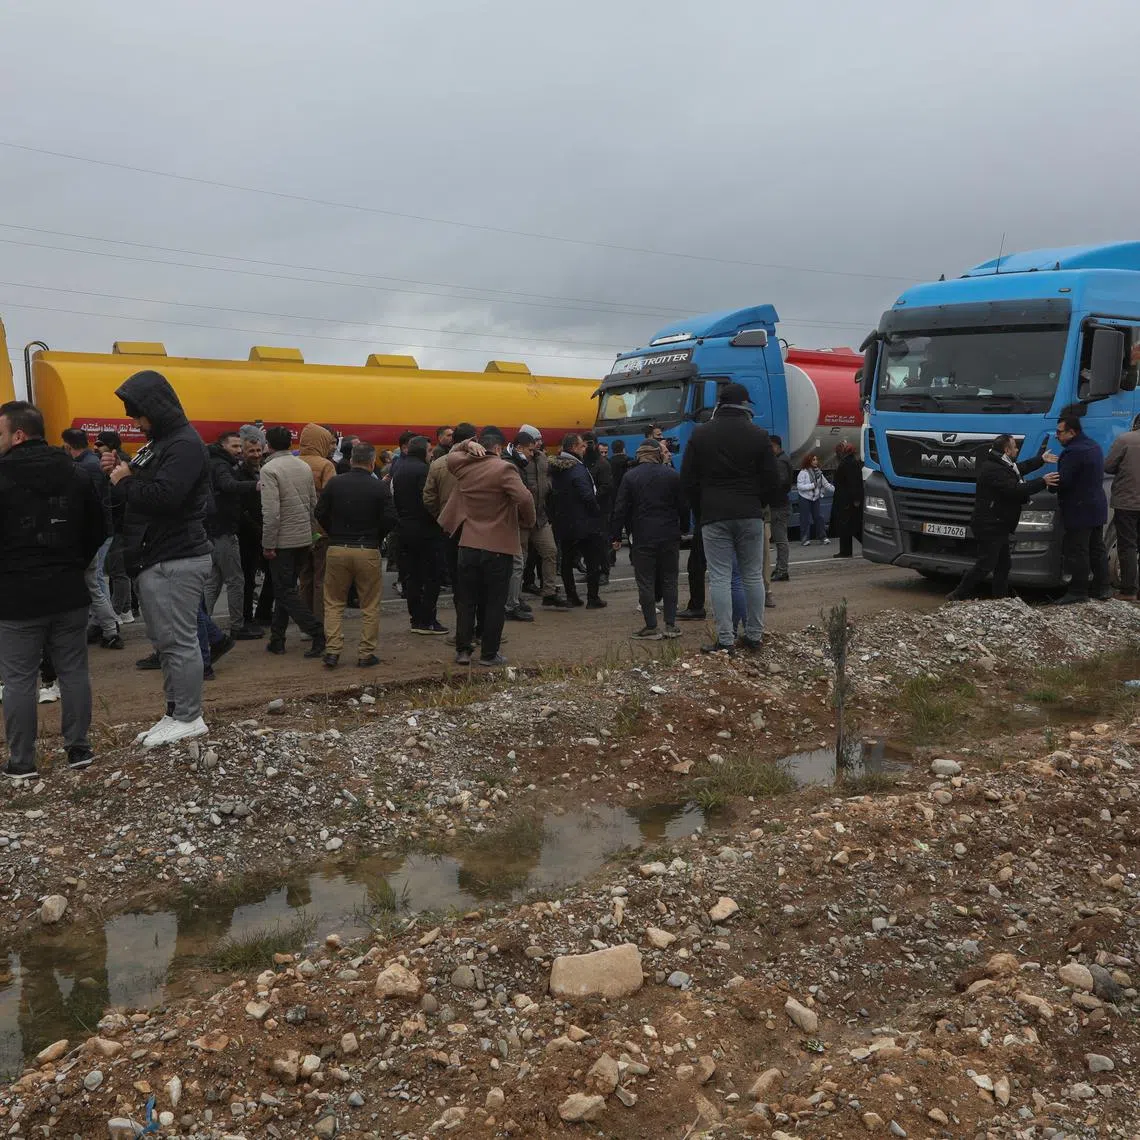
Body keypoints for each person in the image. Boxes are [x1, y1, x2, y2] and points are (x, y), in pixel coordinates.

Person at [103, 370, 213, 748]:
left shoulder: (182, 444)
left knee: (179, 642)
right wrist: (123, 473)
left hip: (176, 556)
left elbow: (167, 496)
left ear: (155, 408)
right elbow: (141, 480)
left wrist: (125, 481)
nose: (136, 423)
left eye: (138, 415)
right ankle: (175, 711)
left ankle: (189, 716)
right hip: (159, 556)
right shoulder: (162, 441)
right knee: (167, 642)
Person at [0, 401, 105, 778]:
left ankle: (21, 761)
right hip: (67, 589)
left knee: (18, 680)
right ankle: (79, 750)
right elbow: (98, 527)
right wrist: (74, 562)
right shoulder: (76, 473)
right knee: (74, 671)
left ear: (18, 434)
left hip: (15, 596)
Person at [680, 382, 779, 654]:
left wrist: (701, 510)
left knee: (721, 577)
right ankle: (754, 636)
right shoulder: (759, 435)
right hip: (749, 513)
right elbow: (774, 480)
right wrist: (758, 502)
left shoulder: (700, 435)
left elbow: (687, 480)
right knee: (753, 575)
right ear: (744, 405)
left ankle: (725, 640)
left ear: (719, 405)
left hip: (714, 514)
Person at [440, 428, 536, 667]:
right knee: (494, 602)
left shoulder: (463, 467)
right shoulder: (504, 469)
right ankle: (489, 653)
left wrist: (465, 445)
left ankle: (463, 651)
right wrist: (528, 521)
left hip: (467, 543)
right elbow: (524, 498)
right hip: (497, 545)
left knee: (466, 601)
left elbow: (451, 454)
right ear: (498, 448)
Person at [315, 441, 396, 668]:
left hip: (337, 548)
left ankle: (332, 651)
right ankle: (365, 654)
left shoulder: (335, 484)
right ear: (372, 463)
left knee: (333, 602)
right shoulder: (379, 487)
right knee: (369, 604)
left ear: (351, 461)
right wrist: (376, 536)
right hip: (368, 549)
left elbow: (319, 512)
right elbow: (391, 518)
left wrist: (334, 532)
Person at [948, 434, 1051, 602]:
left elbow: (1018, 469)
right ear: (1006, 450)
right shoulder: (994, 469)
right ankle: (958, 594)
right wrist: (1043, 481)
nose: (1017, 449)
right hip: (990, 525)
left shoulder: (1002, 464)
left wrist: (1040, 460)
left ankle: (1000, 599)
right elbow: (1016, 489)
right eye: (1015, 447)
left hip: (998, 523)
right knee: (986, 564)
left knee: (1003, 564)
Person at [259, 425, 326, 655]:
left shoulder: (269, 469)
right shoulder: (303, 466)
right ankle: (277, 639)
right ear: (291, 443)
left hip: (281, 541)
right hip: (302, 538)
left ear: (268, 445)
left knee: (286, 591)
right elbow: (311, 503)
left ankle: (317, 631)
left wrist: (268, 543)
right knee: (284, 590)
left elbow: (271, 512)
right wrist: (311, 534)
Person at [613, 438, 687, 639]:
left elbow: (620, 509)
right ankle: (671, 625)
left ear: (639, 456)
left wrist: (615, 535)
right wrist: (684, 528)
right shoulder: (672, 475)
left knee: (645, 581)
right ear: (657, 454)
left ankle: (651, 627)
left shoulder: (630, 477)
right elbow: (683, 505)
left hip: (643, 535)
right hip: (670, 534)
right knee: (670, 579)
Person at [62, 428, 123, 651]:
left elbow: (86, 506)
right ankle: (106, 627)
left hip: (92, 534)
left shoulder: (82, 468)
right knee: (95, 582)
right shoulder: (91, 464)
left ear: (68, 446)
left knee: (95, 582)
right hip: (100, 531)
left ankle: (109, 627)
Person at [204, 430, 263, 638]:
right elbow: (228, 485)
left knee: (214, 580)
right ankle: (237, 626)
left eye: (240, 447)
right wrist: (255, 485)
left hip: (214, 528)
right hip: (224, 529)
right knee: (235, 580)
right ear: (223, 446)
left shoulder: (214, 461)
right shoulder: (221, 465)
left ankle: (202, 623)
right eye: (235, 447)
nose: (238, 451)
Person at [1050, 412, 1110, 604]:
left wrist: (1050, 484)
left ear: (1072, 432)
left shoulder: (1073, 452)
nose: (1056, 435)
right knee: (1096, 548)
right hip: (1096, 505)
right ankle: (1103, 588)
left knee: (1079, 550)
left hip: (1078, 508)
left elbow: (1065, 481)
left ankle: (1078, 591)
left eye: (1060, 432)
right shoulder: (1093, 445)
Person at [507, 424, 568, 612]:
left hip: (540, 516)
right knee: (520, 560)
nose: (535, 451)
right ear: (520, 447)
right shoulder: (510, 463)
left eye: (537, 445)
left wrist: (548, 485)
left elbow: (551, 470)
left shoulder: (541, 459)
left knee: (550, 551)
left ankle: (549, 592)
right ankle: (514, 599)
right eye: (532, 448)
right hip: (520, 519)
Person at [393, 435, 447, 634]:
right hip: (426, 530)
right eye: (430, 451)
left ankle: (416, 619)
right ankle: (428, 620)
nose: (432, 455)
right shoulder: (424, 471)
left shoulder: (399, 468)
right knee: (432, 576)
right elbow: (428, 500)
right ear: (423, 452)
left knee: (413, 576)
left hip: (405, 529)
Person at [549, 433, 607, 608]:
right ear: (573, 447)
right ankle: (593, 597)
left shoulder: (555, 468)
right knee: (592, 561)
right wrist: (596, 511)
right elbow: (587, 495)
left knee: (566, 561)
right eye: (582, 446)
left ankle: (572, 595)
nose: (585, 448)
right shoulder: (577, 468)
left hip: (564, 522)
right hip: (584, 523)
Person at [424, 422, 478, 590]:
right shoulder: (482, 462)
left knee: (456, 575)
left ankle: (462, 610)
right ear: (474, 440)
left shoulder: (437, 464)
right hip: (475, 526)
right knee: (475, 577)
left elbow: (429, 498)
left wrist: (442, 516)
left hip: (449, 526)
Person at [297, 423, 337, 627]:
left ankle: (304, 623)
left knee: (305, 576)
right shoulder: (325, 465)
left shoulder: (295, 462)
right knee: (322, 577)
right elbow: (332, 498)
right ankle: (319, 623)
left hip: (299, 528)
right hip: (321, 529)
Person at [1104, 413, 1140, 601]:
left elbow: (1108, 466)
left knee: (1128, 546)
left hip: (1127, 502)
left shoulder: (1125, 439)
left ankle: (1128, 590)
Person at [829, 441, 863, 559]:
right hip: (847, 499)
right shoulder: (850, 462)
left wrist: (856, 499)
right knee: (851, 527)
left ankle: (846, 551)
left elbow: (854, 483)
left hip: (846, 500)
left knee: (849, 526)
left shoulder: (848, 463)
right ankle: (845, 550)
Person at [769, 435, 794, 581]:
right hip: (780, 503)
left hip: (778, 505)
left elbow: (782, 482)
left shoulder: (780, 462)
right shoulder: (782, 459)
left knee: (780, 539)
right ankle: (780, 567)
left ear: (776, 446)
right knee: (780, 539)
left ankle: (782, 569)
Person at [796, 455, 832, 546]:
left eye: (816, 459)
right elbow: (799, 487)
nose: (816, 461)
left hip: (815, 498)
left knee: (819, 517)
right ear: (809, 461)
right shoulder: (803, 473)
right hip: (804, 498)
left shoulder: (819, 473)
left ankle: (823, 537)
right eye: (813, 460)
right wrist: (812, 485)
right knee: (805, 519)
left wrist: (837, 490)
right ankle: (805, 539)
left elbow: (826, 484)